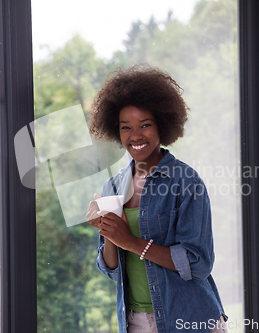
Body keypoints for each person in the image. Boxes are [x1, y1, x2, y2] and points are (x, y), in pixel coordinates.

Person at [87, 64, 228, 333]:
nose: (135, 135)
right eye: (125, 127)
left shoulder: (186, 181)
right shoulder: (112, 187)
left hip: (189, 319)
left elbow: (198, 262)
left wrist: (131, 241)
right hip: (134, 322)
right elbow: (111, 268)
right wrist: (109, 233)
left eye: (145, 125)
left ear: (162, 124)